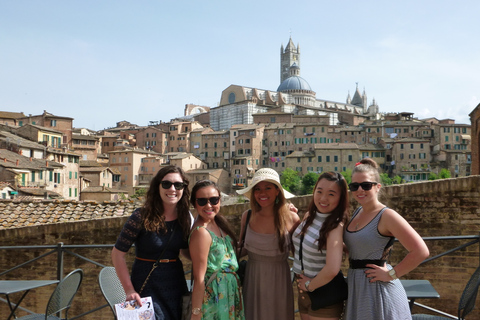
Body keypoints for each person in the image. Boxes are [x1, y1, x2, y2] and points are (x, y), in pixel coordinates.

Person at [344, 158, 430, 319]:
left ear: (377, 187)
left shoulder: (387, 216)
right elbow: (356, 248)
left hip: (377, 290)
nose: (359, 190)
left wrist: (392, 274)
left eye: (366, 185)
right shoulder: (357, 212)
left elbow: (421, 251)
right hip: (357, 288)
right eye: (354, 186)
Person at [111, 165, 193, 320]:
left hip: (175, 282)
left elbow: (185, 250)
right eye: (166, 184)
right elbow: (117, 254)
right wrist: (129, 290)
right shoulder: (141, 216)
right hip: (146, 283)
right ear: (158, 186)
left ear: (184, 188)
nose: (172, 189)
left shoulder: (185, 218)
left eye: (178, 185)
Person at [237, 168, 300, 320]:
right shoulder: (248, 215)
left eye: (268, 188)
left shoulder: (291, 217)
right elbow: (242, 249)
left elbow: (300, 253)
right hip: (253, 281)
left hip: (279, 282)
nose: (261, 193)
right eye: (257, 189)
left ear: (277, 191)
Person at [293, 172, 349, 320]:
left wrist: (310, 285)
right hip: (304, 293)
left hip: (323, 294)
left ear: (340, 198)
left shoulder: (335, 226)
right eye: (319, 191)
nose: (323, 198)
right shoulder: (310, 216)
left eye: (331, 194)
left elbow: (332, 269)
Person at [189, 180, 244, 320]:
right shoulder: (201, 232)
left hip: (230, 294)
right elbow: (199, 277)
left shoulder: (220, 225)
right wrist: (196, 312)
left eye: (214, 200)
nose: (209, 205)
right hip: (214, 297)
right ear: (194, 204)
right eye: (202, 201)